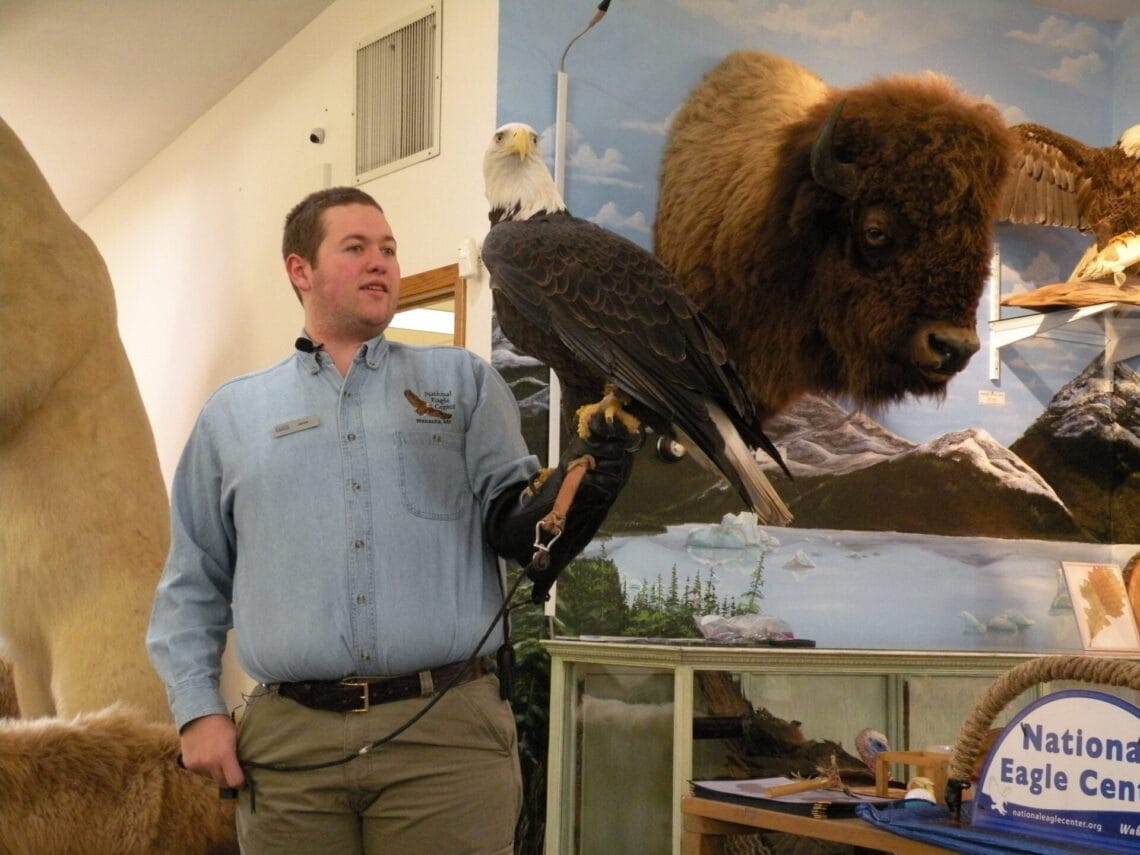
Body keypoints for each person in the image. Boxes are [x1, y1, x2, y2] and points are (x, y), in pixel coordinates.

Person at [146, 186, 633, 854]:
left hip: (445, 741)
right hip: (291, 748)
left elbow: (518, 525)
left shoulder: (462, 384)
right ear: (300, 270)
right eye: (356, 248)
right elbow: (191, 582)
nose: (381, 263)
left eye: (389, 249)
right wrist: (198, 710)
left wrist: (591, 473)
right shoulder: (232, 416)